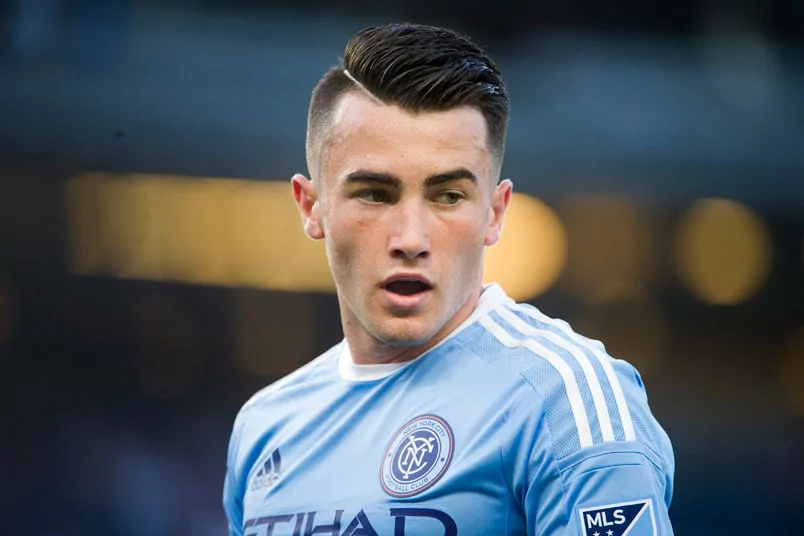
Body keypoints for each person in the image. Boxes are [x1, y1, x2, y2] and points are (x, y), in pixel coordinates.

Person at [223, 23, 675, 536]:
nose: (411, 238)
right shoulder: (264, 428)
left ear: (495, 213)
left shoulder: (566, 401)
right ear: (312, 207)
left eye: (448, 196)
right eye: (375, 194)